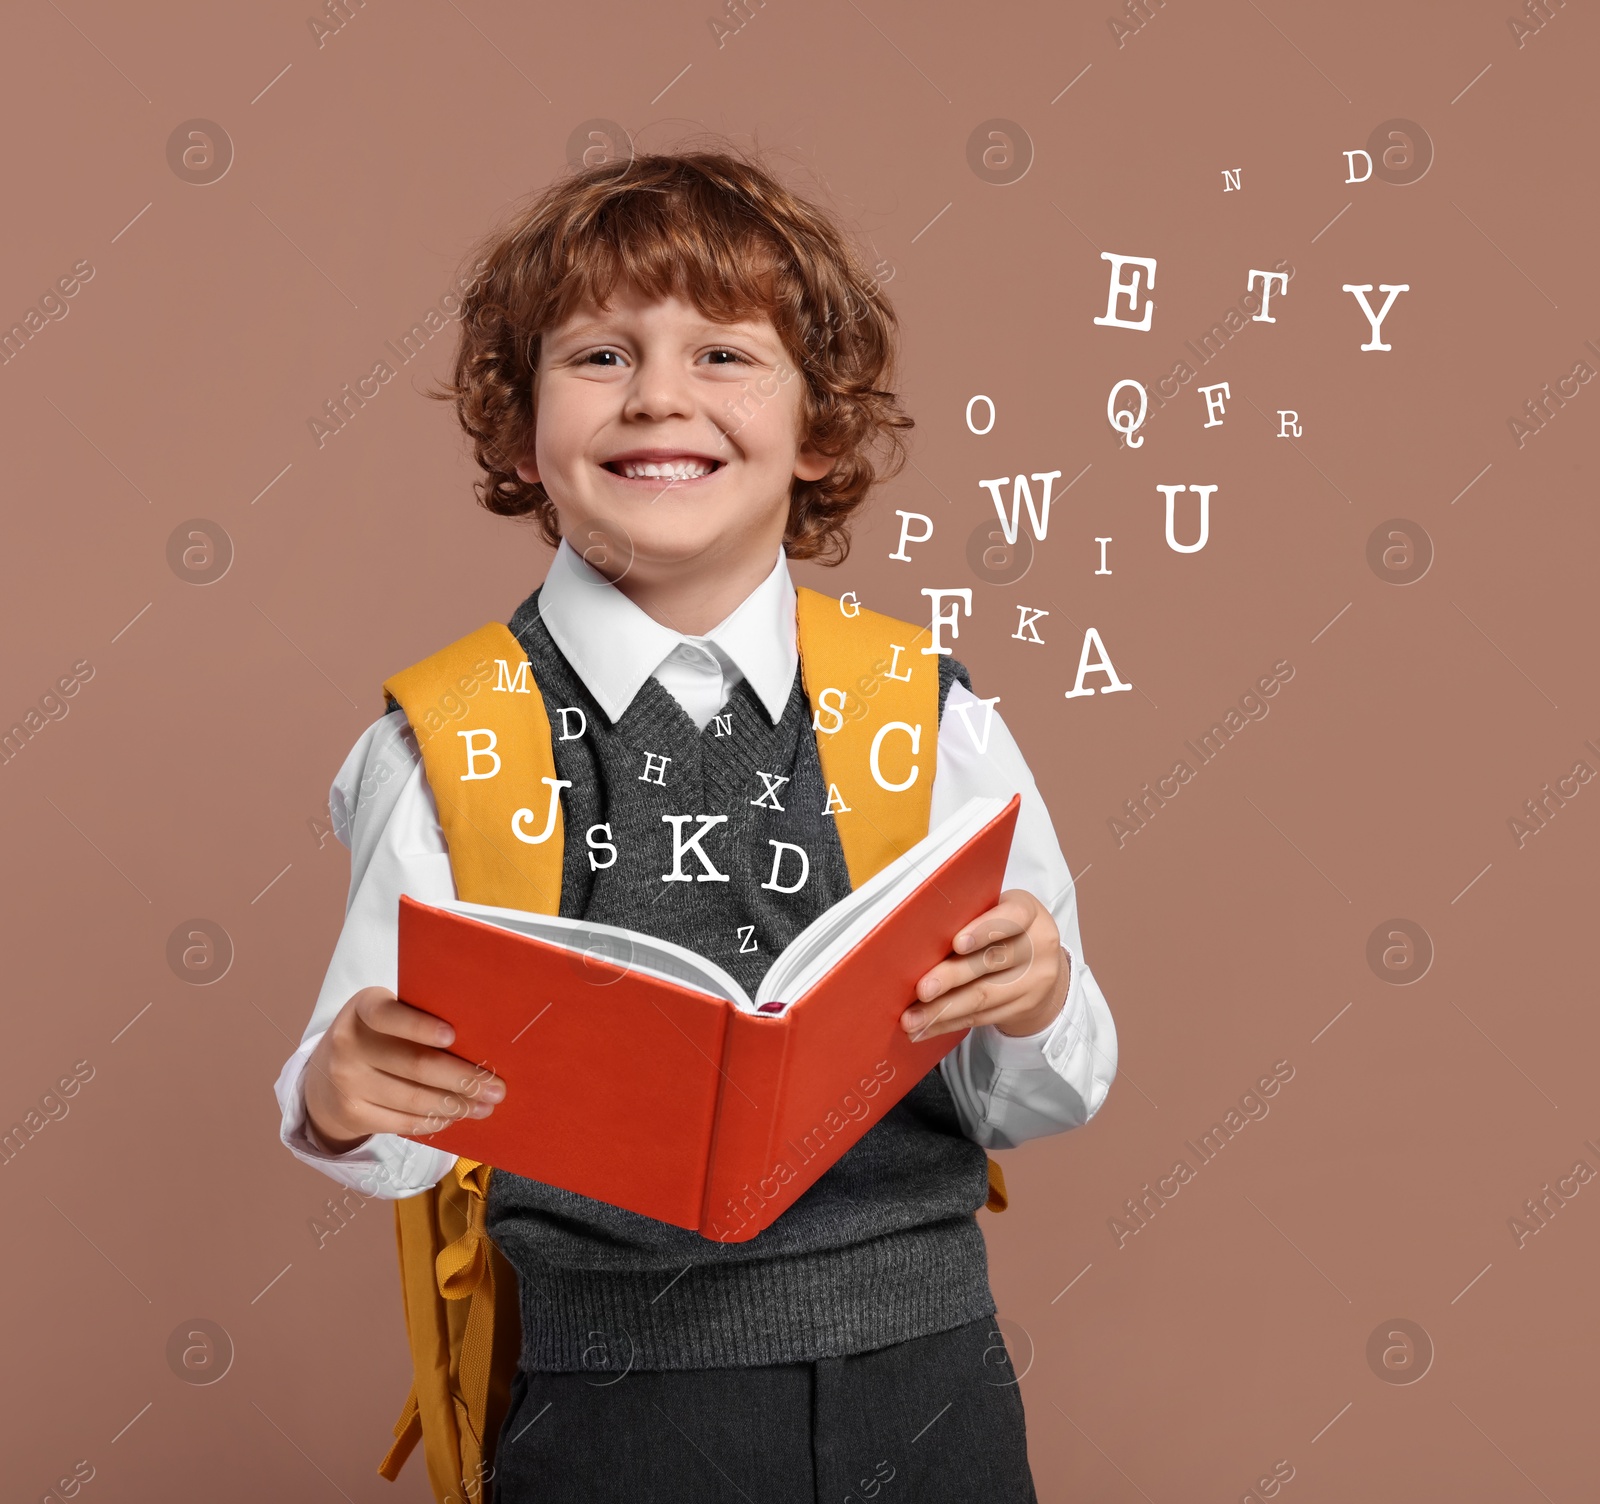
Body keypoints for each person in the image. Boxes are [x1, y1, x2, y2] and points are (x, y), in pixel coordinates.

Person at [274, 148, 1117, 1503]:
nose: (659, 394)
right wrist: (339, 1092)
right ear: (517, 426)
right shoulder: (441, 743)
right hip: (612, 1413)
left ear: (821, 427)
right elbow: (388, 1121)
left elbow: (1036, 1092)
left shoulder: (930, 715)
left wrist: (1035, 996)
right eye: (600, 356)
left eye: (724, 356)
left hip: (932, 1379)